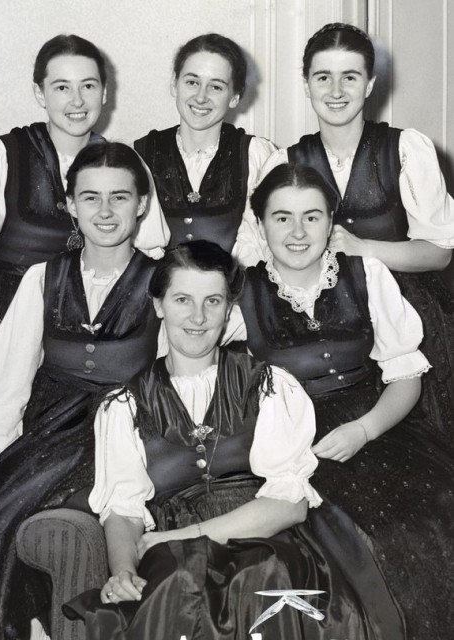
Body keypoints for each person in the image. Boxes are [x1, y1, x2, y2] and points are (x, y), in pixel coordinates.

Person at [63, 240, 405, 640]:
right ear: (158, 306)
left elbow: (288, 504)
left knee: (263, 579)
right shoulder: (124, 405)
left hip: (261, 534)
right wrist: (123, 570)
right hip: (169, 554)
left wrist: (176, 538)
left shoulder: (269, 385)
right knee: (175, 586)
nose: (198, 316)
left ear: (229, 310)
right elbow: (123, 510)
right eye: (182, 300)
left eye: (213, 301)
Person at [0, 141, 168, 640]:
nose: (106, 211)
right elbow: (10, 374)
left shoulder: (163, 280)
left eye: (120, 197)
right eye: (90, 198)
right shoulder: (42, 278)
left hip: (124, 431)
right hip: (48, 428)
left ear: (141, 204)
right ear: (71, 206)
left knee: (19, 512)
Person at [233, 163, 454, 640]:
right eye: (282, 218)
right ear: (260, 223)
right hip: (300, 443)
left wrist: (364, 430)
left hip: (381, 427)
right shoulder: (241, 292)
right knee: (352, 541)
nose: (297, 232)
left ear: (331, 222)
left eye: (312, 217)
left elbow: (406, 376)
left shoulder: (365, 272)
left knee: (435, 513)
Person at [0, 34, 169, 450]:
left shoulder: (123, 164)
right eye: (61, 87)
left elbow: (148, 257)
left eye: (88, 85)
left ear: (105, 93)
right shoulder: (1, 155)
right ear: (40, 93)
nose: (76, 100)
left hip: (75, 332)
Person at [253, 22, 454, 437]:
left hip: (410, 311)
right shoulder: (283, 164)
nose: (336, 90)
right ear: (306, 84)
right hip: (327, 324)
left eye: (351, 77)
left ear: (370, 85)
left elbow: (440, 253)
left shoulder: (405, 149)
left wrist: (363, 248)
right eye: (323, 77)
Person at [134, 33, 276, 262]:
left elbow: (260, 248)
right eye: (192, 82)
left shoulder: (255, 156)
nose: (201, 97)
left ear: (234, 97)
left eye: (216, 87)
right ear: (174, 84)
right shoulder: (142, 154)